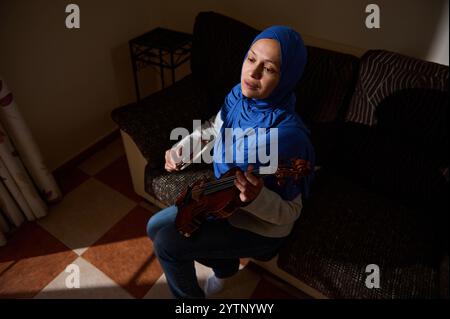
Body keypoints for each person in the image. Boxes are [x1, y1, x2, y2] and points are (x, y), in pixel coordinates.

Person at [146, 26, 315, 299]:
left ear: (287, 77)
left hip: (260, 225)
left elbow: (290, 212)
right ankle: (226, 267)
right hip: (220, 197)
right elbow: (215, 127)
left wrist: (257, 198)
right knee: (154, 227)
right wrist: (182, 150)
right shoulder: (238, 95)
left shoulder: (290, 138)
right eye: (251, 59)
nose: (253, 73)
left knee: (167, 243)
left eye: (269, 68)